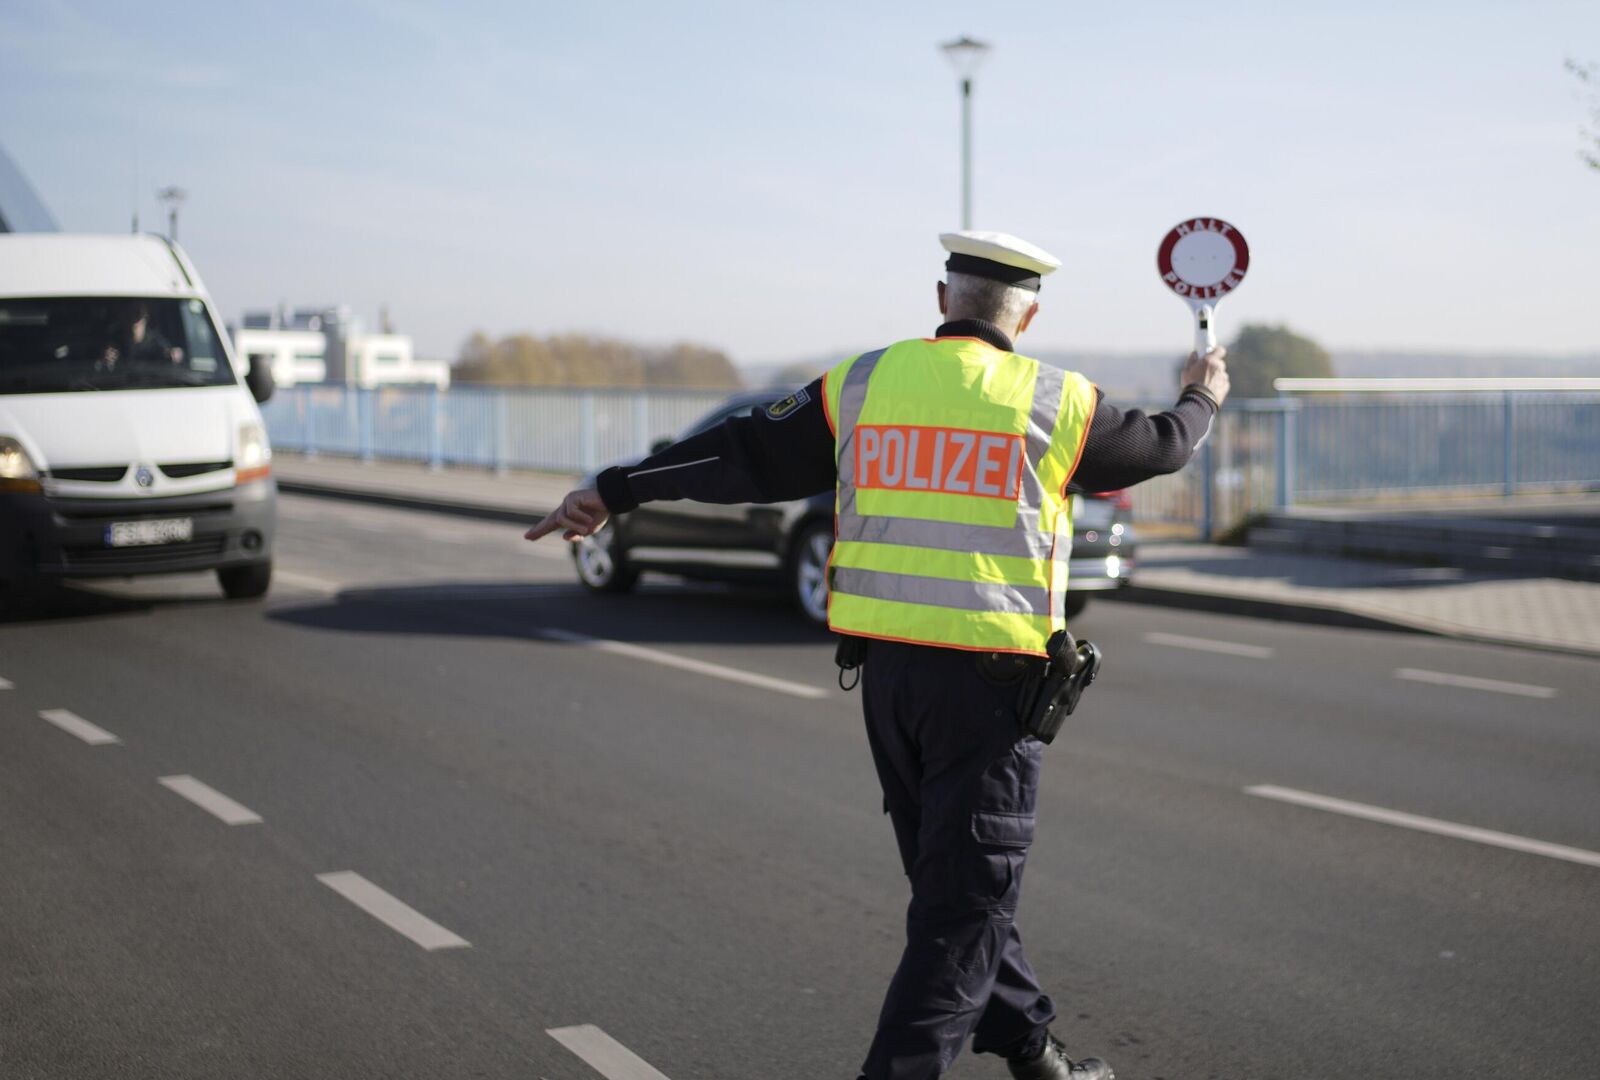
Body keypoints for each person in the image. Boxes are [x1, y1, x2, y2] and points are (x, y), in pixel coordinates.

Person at [525, 231, 1230, 1080]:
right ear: (1029, 314)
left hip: (889, 684)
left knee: (954, 892)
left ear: (942, 300)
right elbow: (1164, 445)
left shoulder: (863, 385)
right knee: (962, 911)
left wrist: (613, 489)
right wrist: (1204, 395)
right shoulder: (1056, 402)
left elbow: (740, 452)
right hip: (990, 695)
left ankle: (1033, 1051)